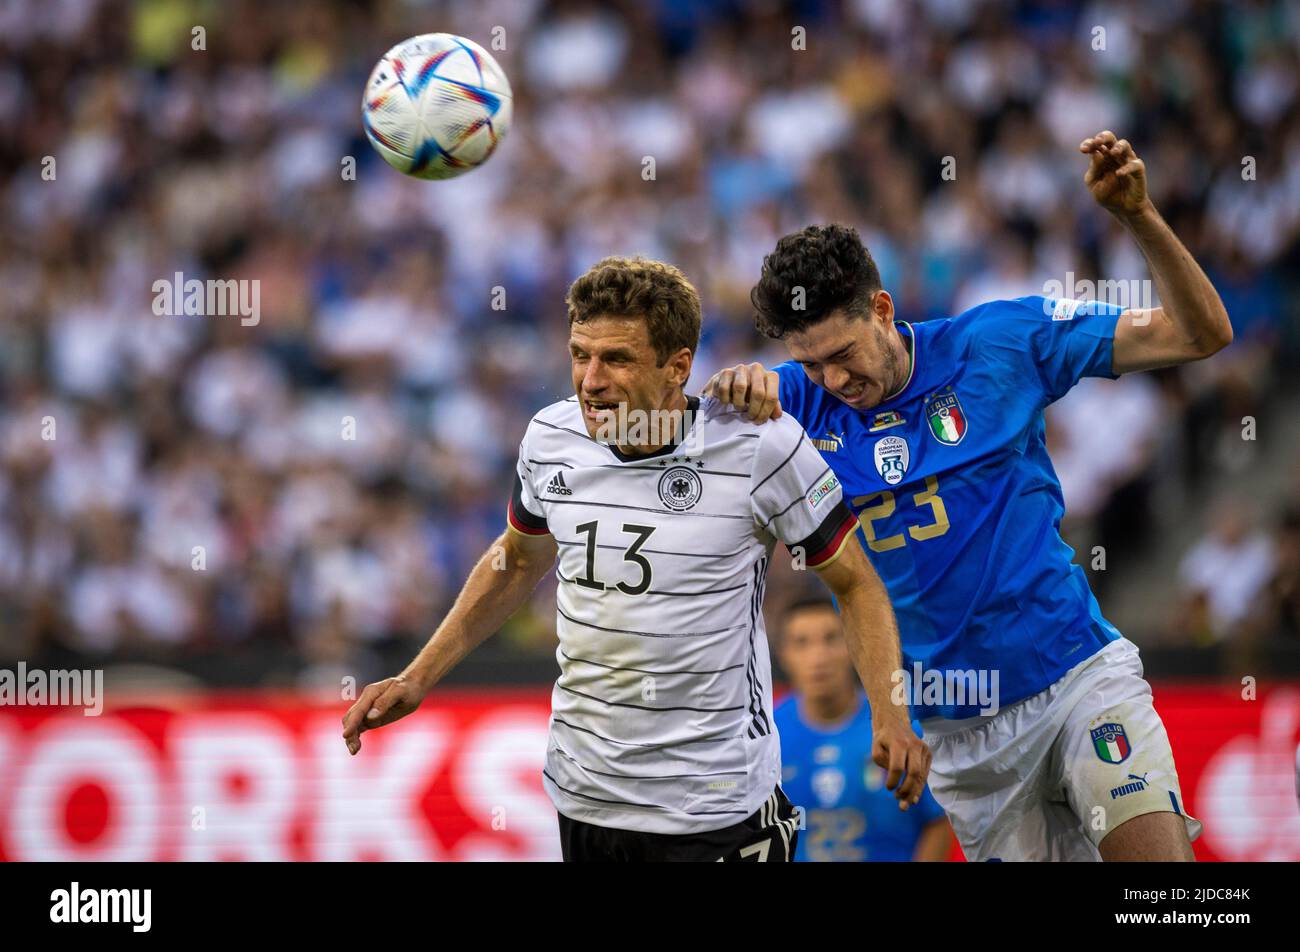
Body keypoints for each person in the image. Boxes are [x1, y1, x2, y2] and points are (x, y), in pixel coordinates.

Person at [706, 131, 1231, 861]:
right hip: (960, 737)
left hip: (1076, 677)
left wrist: (1138, 217)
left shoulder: (1001, 342)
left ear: (883, 308)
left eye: (842, 355)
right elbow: (682, 441)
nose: (832, 381)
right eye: (810, 363)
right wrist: (731, 391)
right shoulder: (793, 404)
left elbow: (1200, 333)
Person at [342, 256, 929, 862]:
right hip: (586, 797)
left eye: (616, 359)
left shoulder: (759, 444)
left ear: (678, 366)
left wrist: (888, 714)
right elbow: (516, 563)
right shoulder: (550, 438)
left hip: (716, 807)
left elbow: (855, 582)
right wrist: (418, 676)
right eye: (580, 354)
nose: (590, 380)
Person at [775, 595, 952, 861]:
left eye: (831, 638)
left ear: (854, 645)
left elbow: (939, 819)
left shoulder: (899, 727)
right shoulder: (767, 736)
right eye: (802, 643)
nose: (818, 656)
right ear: (783, 655)